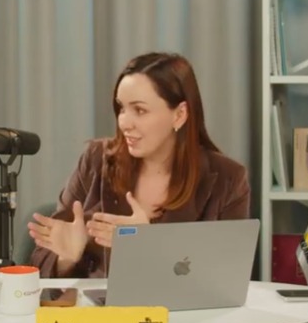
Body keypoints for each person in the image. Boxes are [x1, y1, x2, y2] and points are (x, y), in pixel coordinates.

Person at [28, 52, 249, 278]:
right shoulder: (95, 159)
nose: (124, 123)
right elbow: (40, 262)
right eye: (122, 108)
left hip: (176, 303)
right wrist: (66, 258)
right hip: (97, 302)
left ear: (180, 115)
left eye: (140, 110)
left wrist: (150, 247)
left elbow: (227, 278)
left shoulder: (228, 179)